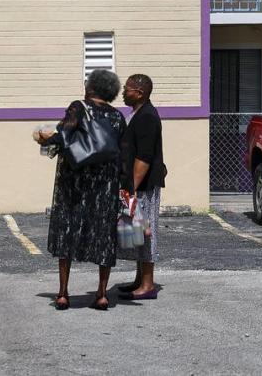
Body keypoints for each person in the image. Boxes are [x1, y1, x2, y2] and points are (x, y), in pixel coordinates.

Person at [37, 69, 126, 311]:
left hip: (74, 183)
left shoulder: (79, 107)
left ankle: (63, 293)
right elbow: (122, 152)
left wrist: (44, 138)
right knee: (103, 236)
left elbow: (64, 134)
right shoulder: (118, 116)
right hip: (105, 185)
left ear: (90, 88)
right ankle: (101, 294)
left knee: (68, 232)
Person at [117, 74, 167, 300]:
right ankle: (139, 279)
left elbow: (144, 157)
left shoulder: (147, 116)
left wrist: (132, 188)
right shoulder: (137, 113)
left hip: (144, 184)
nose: (123, 92)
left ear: (140, 92)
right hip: (135, 183)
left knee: (146, 231)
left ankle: (147, 284)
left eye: (127, 89)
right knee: (137, 230)